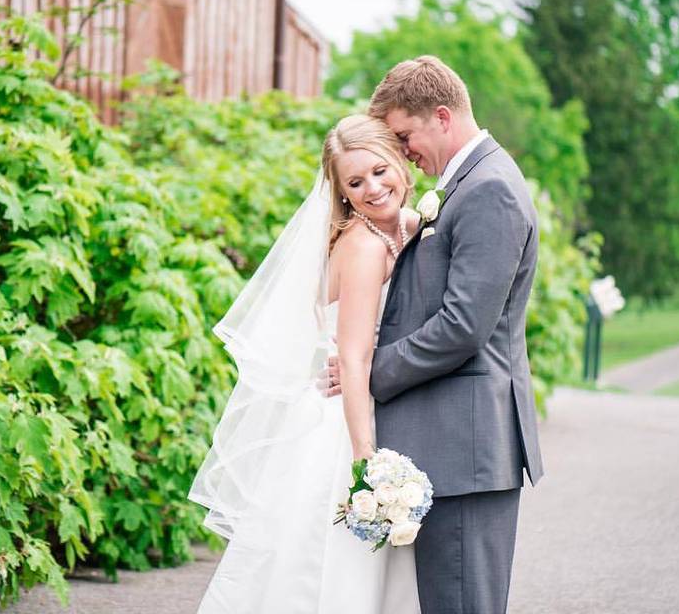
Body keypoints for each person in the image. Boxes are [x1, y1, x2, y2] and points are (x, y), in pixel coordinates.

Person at [322, 55, 544, 613]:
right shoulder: (460, 186)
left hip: (466, 448)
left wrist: (367, 370)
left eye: (403, 136)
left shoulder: (487, 188)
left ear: (441, 117)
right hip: (448, 447)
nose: (401, 153)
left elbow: (463, 327)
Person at [190, 114, 423, 613]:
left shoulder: (412, 225)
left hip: (382, 403)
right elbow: (355, 357)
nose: (373, 189)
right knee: (326, 568)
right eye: (355, 183)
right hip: (345, 424)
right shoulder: (361, 248)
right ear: (341, 195)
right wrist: (367, 461)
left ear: (402, 163)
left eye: (380, 171)